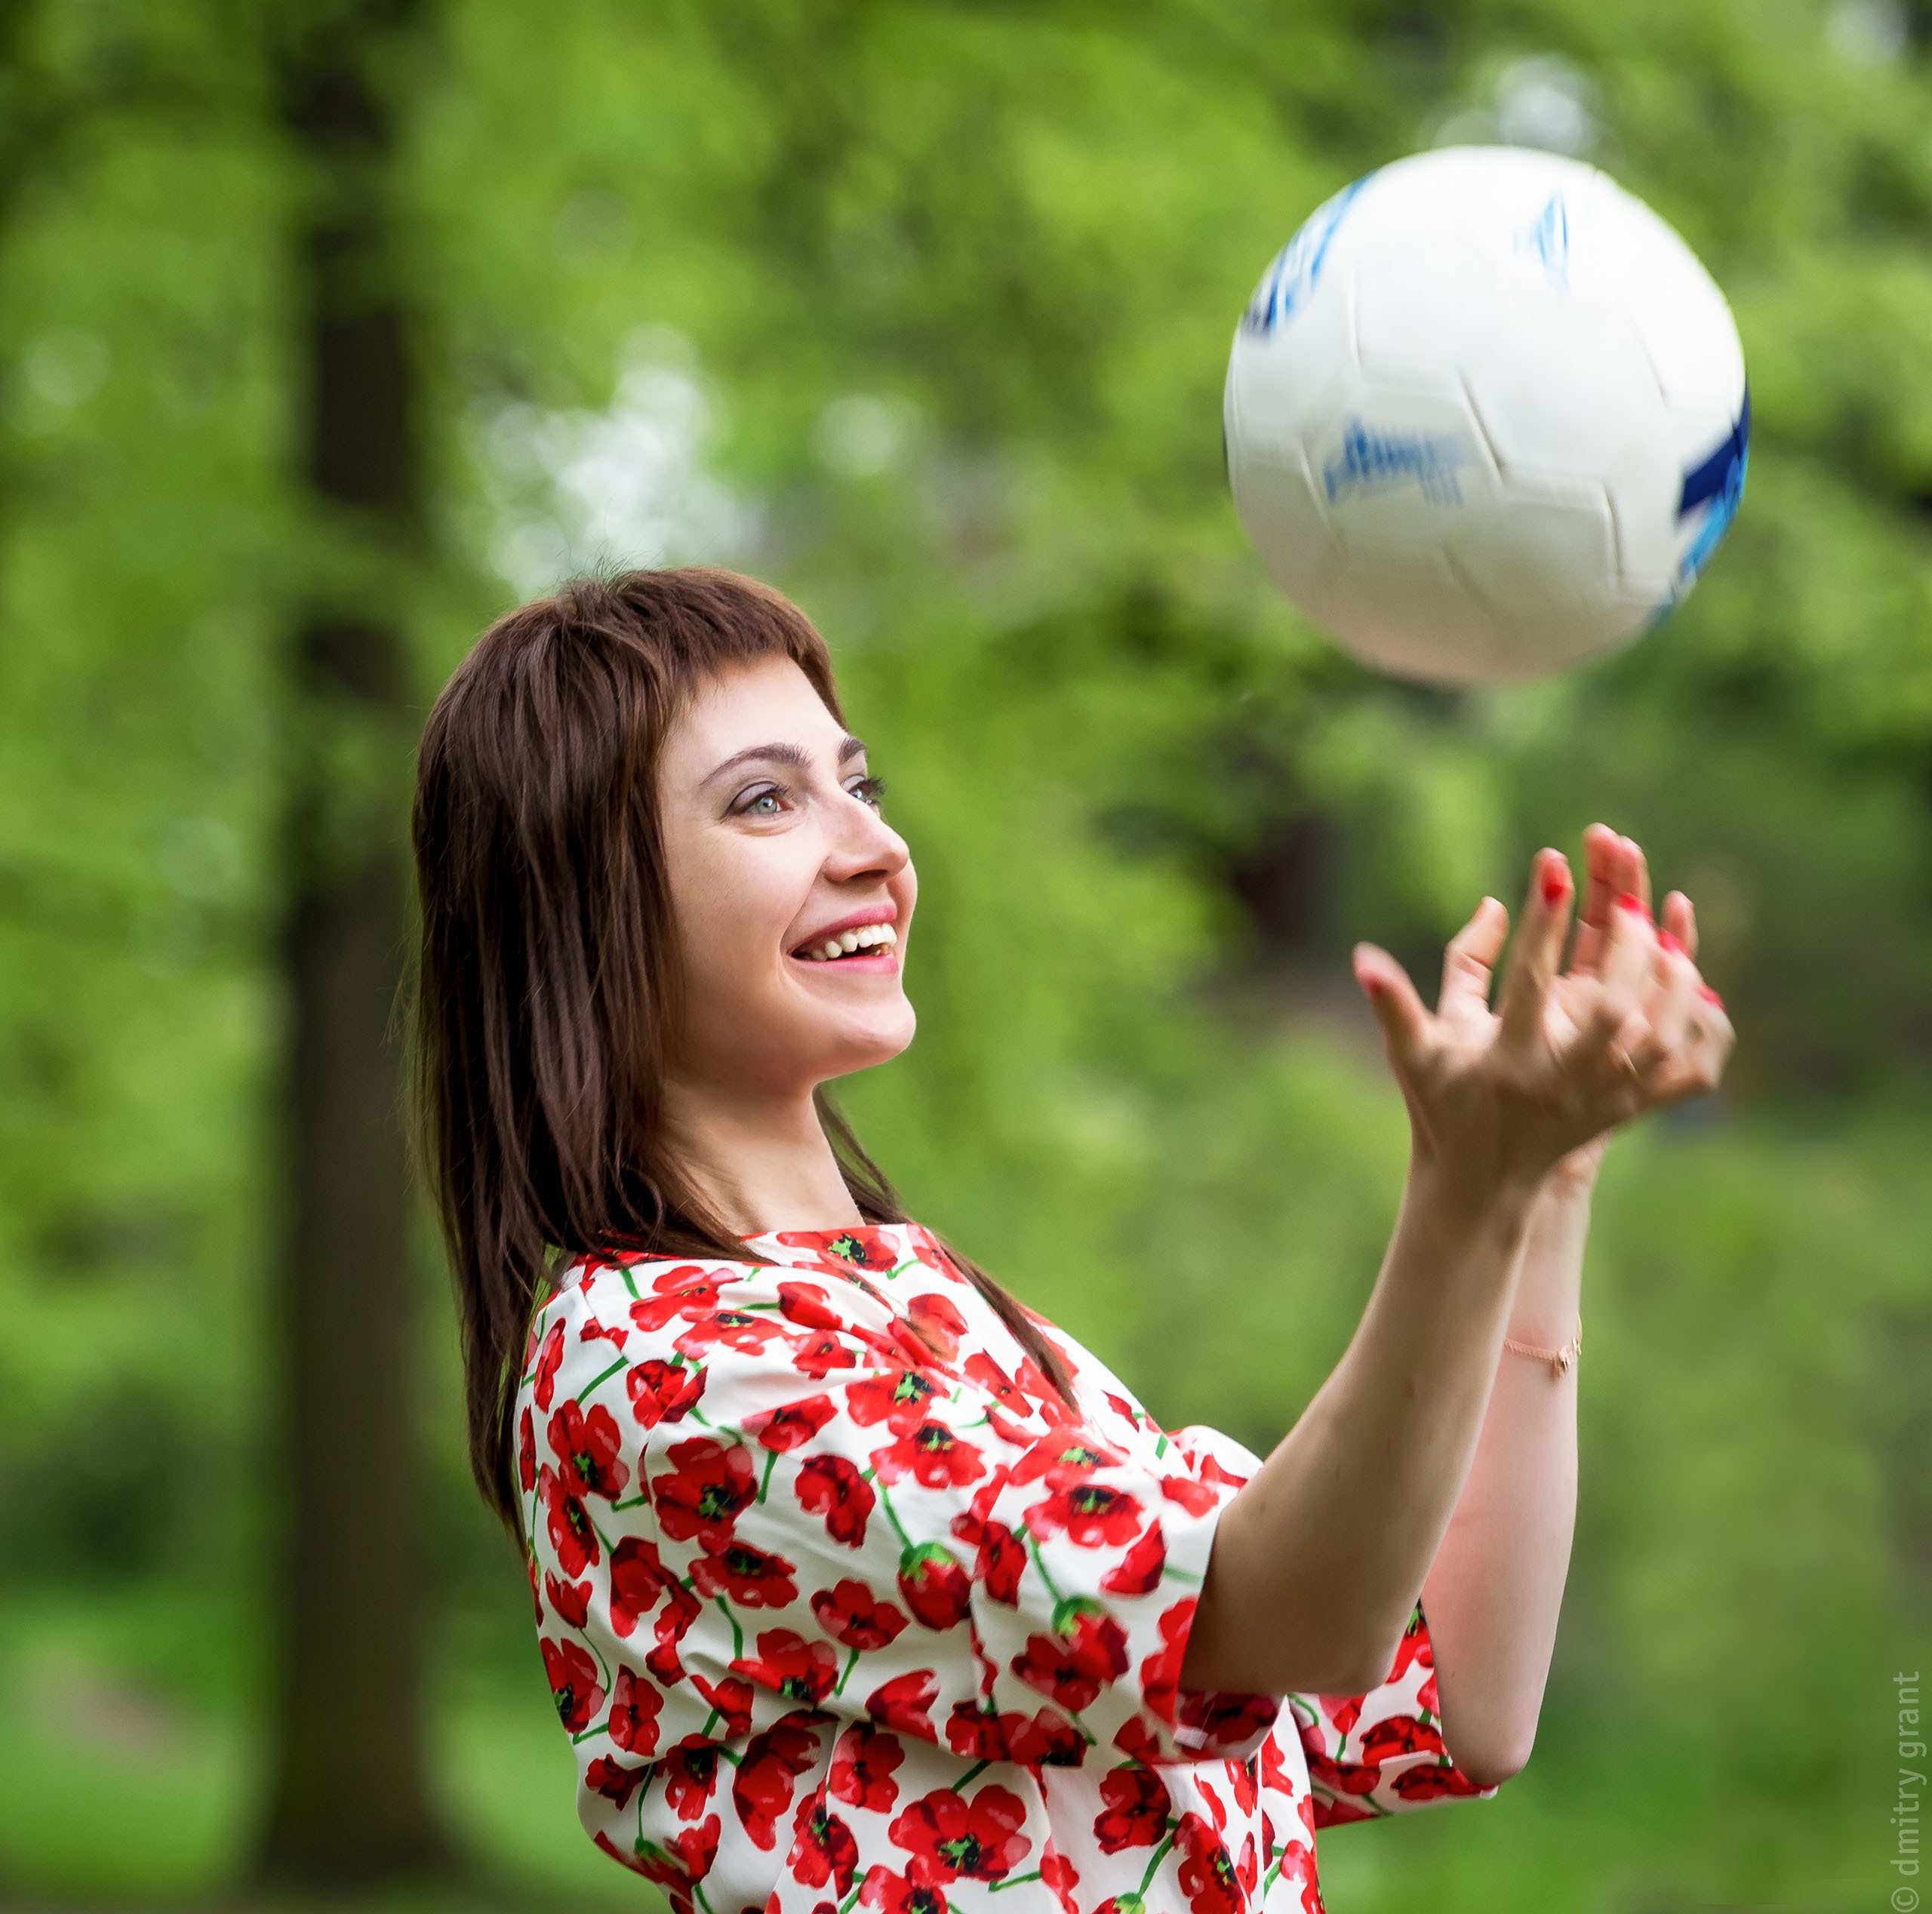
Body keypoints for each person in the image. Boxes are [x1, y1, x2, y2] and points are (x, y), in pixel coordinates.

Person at [410, 567, 1734, 1914]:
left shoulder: (920, 1302)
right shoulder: (663, 1367)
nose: (872, 845)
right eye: (765, 800)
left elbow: (1449, 1695)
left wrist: (1542, 1187)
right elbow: (1286, 1609)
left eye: (857, 785)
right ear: (578, 907)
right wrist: (1467, 1198)